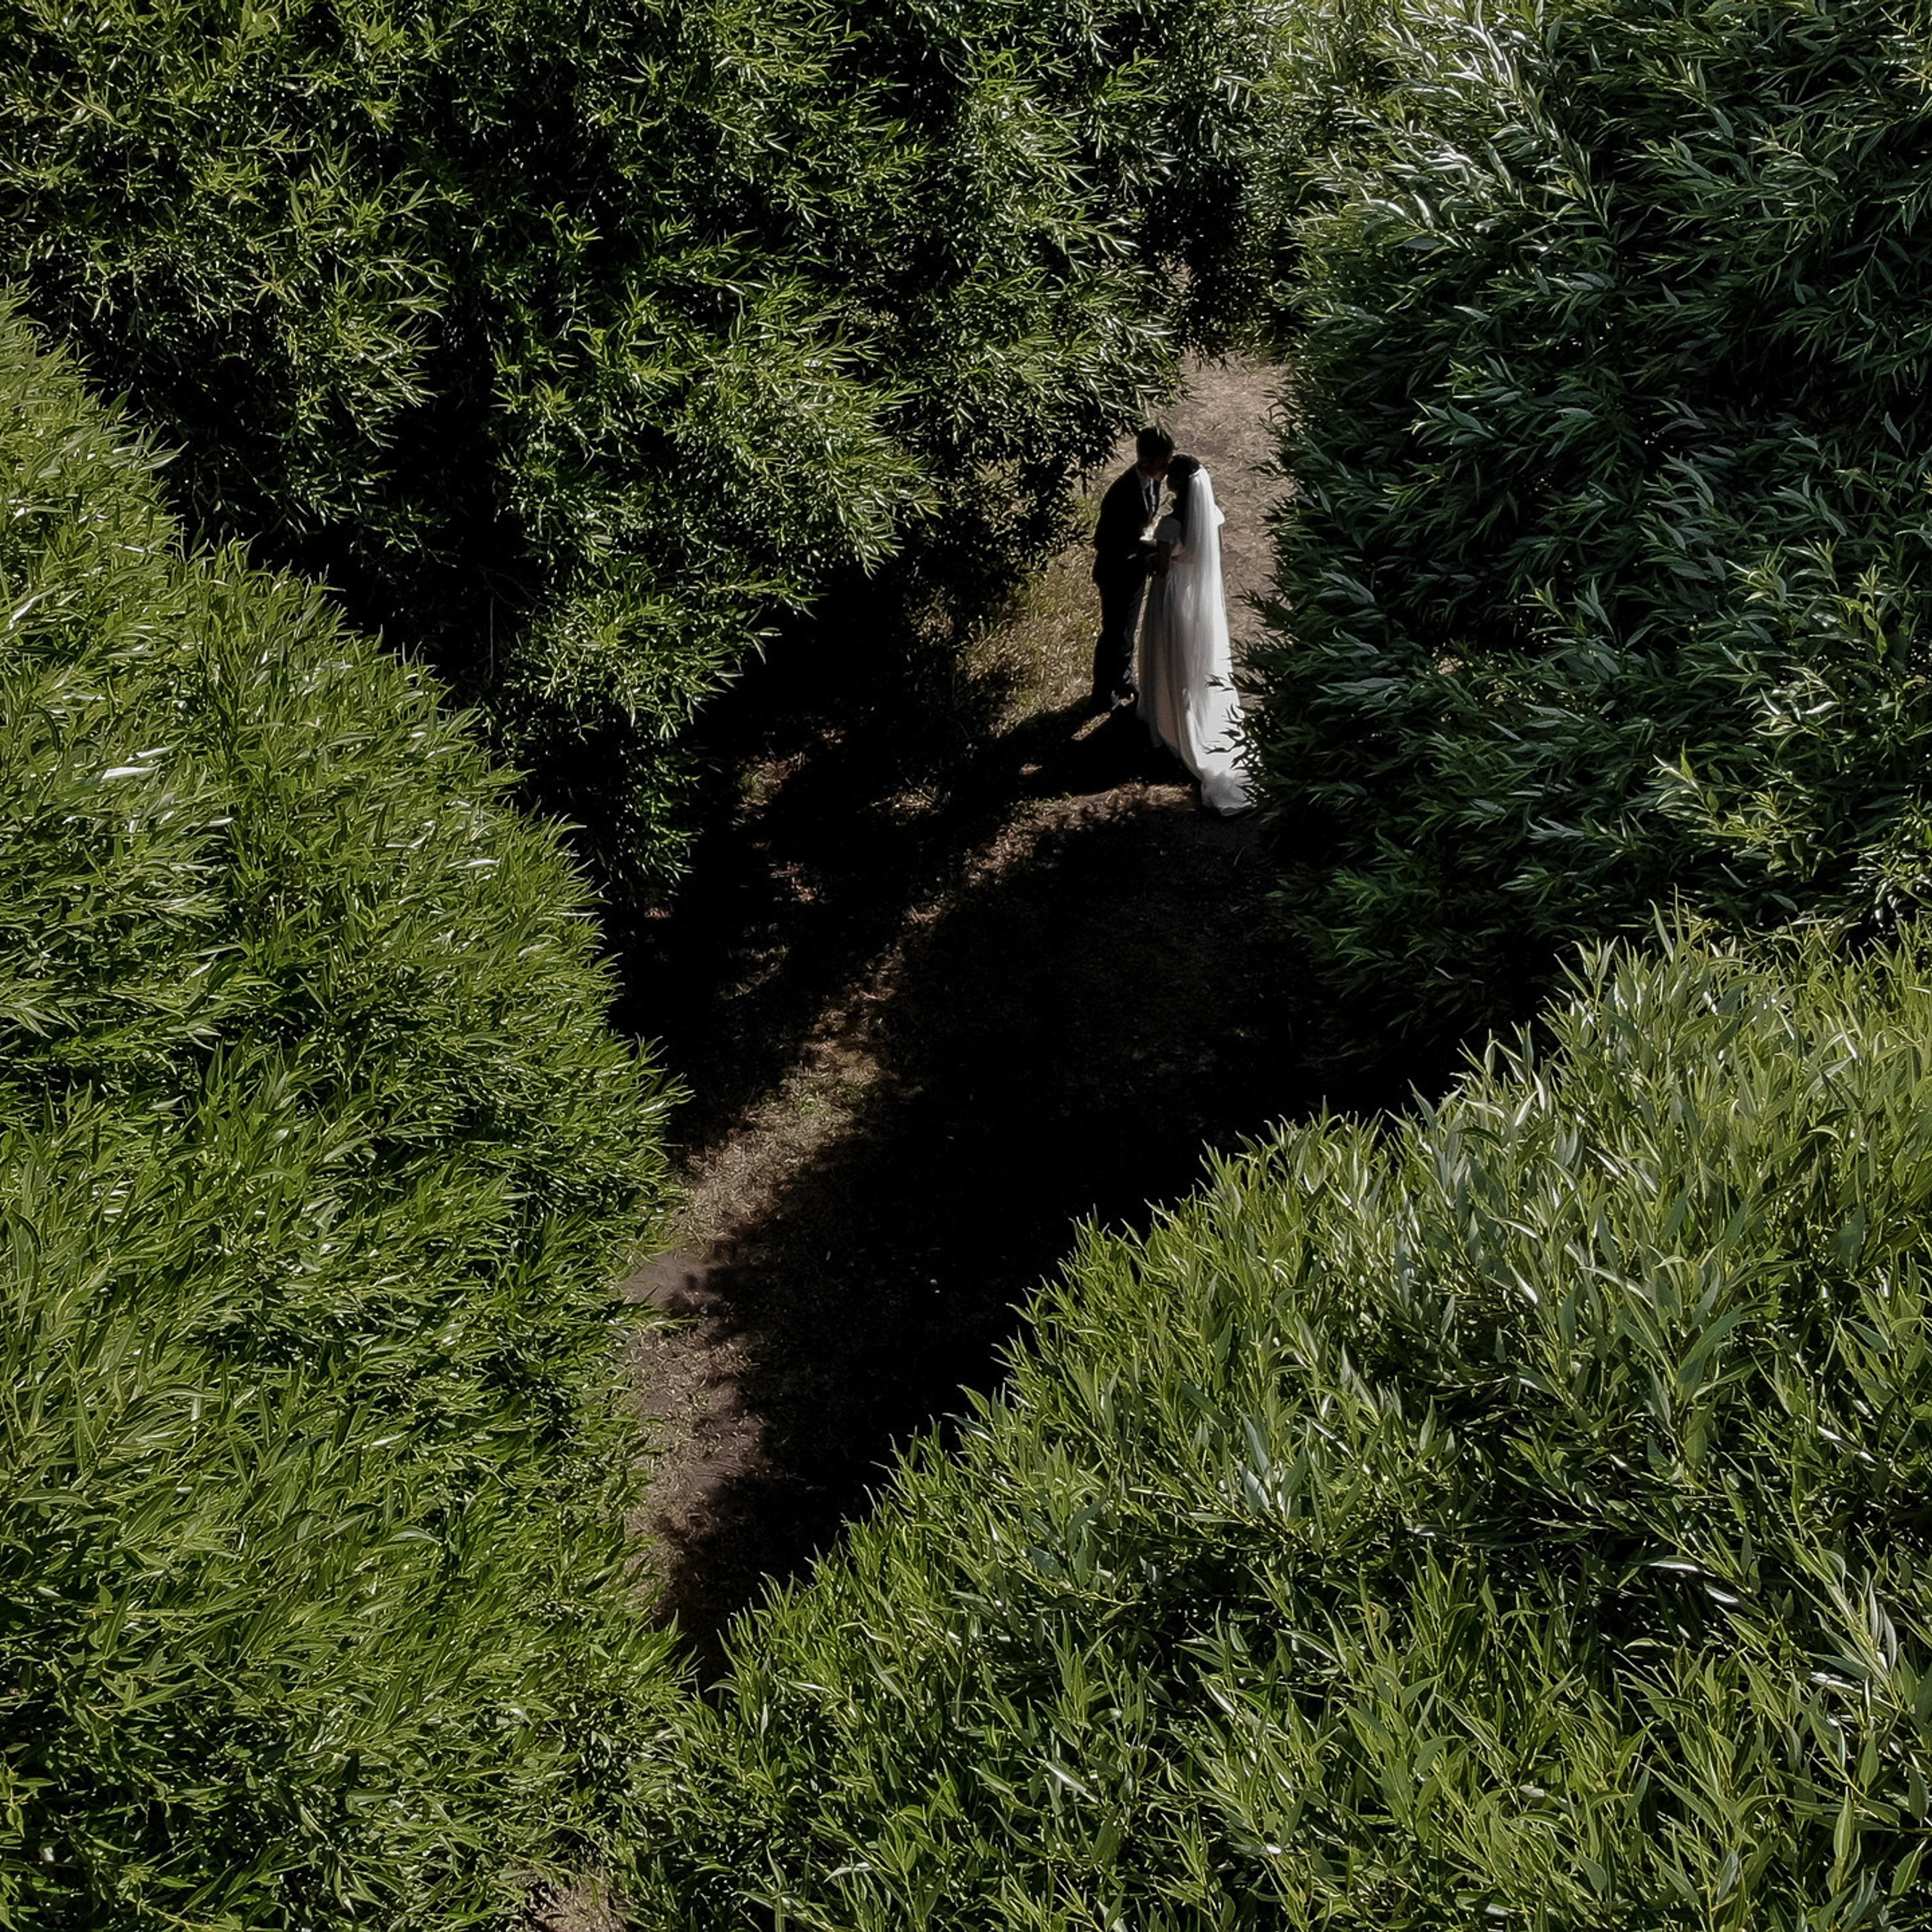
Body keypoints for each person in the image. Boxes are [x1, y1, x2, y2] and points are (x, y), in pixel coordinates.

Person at [1137, 454, 1251, 814]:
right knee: (1196, 657)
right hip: (1200, 599)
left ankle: (1169, 719)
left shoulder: (1170, 526)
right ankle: (1194, 707)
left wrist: (1146, 557)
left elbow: (1163, 569)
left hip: (1172, 598)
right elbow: (1211, 554)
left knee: (1170, 653)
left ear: (1176, 484)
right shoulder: (1211, 515)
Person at [1089, 426, 1174, 714]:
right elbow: (1104, 542)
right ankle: (1102, 692)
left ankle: (1123, 678)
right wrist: (1145, 553)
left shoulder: (1152, 481)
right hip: (1115, 573)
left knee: (1128, 632)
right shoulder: (1121, 493)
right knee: (1113, 633)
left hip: (1134, 571)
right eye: (1162, 464)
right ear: (1145, 461)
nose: (1166, 470)